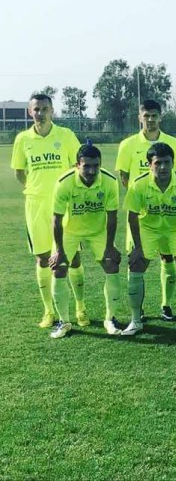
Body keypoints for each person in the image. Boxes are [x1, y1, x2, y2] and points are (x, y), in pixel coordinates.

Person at [10, 93, 84, 329]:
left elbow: (78, 166)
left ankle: (80, 307)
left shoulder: (66, 135)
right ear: (29, 112)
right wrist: (35, 189)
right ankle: (49, 311)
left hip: (64, 204)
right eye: (36, 109)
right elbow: (19, 172)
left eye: (45, 109)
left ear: (52, 111)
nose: (40, 113)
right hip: (36, 205)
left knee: (72, 257)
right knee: (43, 257)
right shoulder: (23, 139)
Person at [120, 143, 176, 336]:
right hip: (148, 229)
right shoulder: (138, 184)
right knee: (136, 264)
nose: (163, 167)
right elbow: (132, 216)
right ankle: (135, 320)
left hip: (174, 228)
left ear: (173, 163)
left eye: (167, 162)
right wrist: (138, 248)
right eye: (158, 163)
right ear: (150, 165)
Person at [115, 99, 176, 321]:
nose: (150, 119)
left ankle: (166, 305)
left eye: (154, 115)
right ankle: (139, 309)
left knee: (168, 258)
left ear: (160, 116)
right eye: (146, 115)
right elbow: (124, 176)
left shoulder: (173, 143)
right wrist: (141, 198)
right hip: (141, 213)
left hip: (168, 211)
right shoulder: (127, 145)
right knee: (136, 259)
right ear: (140, 117)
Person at [48, 143, 121, 338]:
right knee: (59, 267)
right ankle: (64, 321)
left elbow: (112, 216)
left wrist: (110, 247)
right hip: (70, 231)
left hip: (98, 231)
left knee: (112, 264)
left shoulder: (109, 181)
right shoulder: (64, 182)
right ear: (77, 165)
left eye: (96, 166)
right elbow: (56, 219)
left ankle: (110, 319)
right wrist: (59, 251)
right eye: (86, 166)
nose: (91, 171)